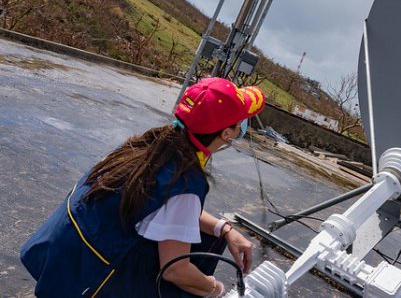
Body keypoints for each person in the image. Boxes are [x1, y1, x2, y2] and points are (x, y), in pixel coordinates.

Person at [20, 77, 266, 297]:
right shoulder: (185, 180)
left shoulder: (150, 145)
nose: (241, 128)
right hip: (88, 279)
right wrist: (213, 288)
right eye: (240, 123)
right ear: (226, 134)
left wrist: (224, 229)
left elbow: (169, 206)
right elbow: (175, 271)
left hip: (63, 255)